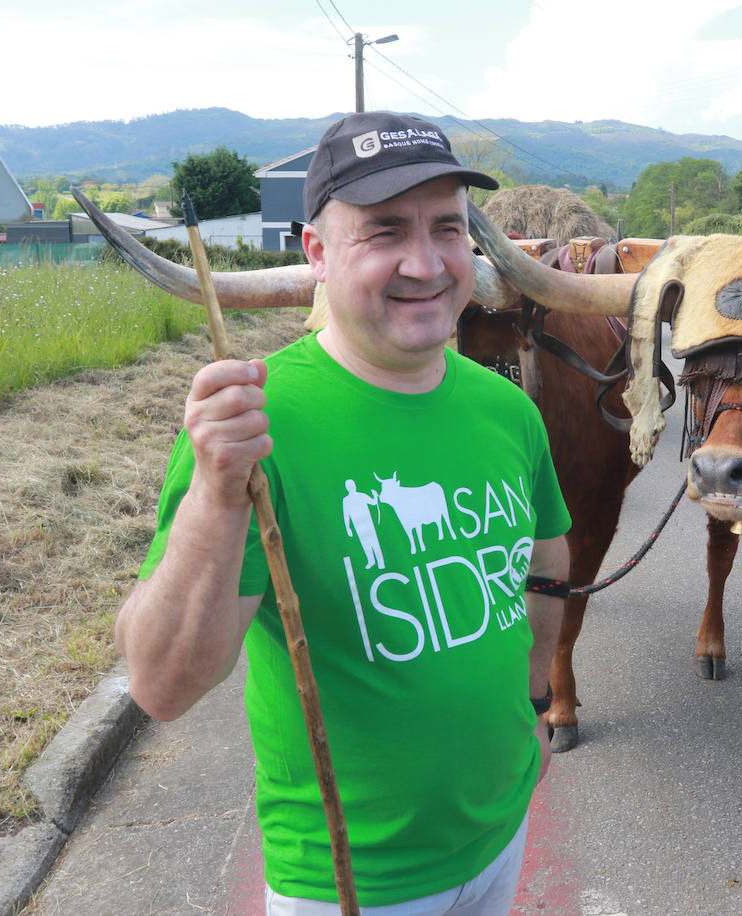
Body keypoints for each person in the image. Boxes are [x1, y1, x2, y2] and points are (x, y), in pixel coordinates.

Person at [114, 111, 572, 915]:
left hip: (502, 831)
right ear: (316, 251)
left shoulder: (509, 411)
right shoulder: (254, 425)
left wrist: (537, 701)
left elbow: (543, 558)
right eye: (385, 231)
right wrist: (219, 496)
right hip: (352, 883)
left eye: (448, 229)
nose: (425, 263)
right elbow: (162, 684)